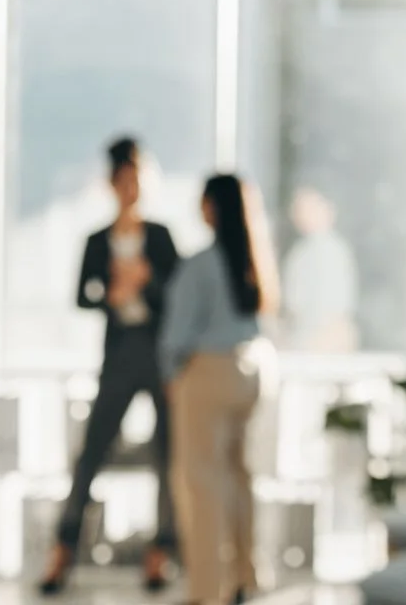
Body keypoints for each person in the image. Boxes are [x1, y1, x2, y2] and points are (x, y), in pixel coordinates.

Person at [39, 136, 181, 595]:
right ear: (112, 183)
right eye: (123, 179)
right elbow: (83, 295)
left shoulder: (159, 237)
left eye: (137, 179)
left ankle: (162, 552)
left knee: (168, 454)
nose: (131, 187)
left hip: (157, 356)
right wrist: (111, 295)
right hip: (118, 356)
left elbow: (178, 298)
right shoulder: (97, 239)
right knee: (92, 451)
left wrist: (148, 282)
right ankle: (63, 550)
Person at [160, 174, 279, 605]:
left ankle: (207, 591)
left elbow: (176, 336)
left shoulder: (201, 265)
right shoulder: (254, 260)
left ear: (212, 207)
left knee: (202, 483)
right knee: (238, 477)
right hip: (254, 371)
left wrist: (172, 373)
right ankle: (245, 577)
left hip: (209, 373)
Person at [279, 186, 360, 352]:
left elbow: (337, 307)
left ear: (327, 209)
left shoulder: (334, 250)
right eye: (298, 208)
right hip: (302, 338)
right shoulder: (300, 252)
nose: (300, 214)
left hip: (325, 339)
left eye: (308, 207)